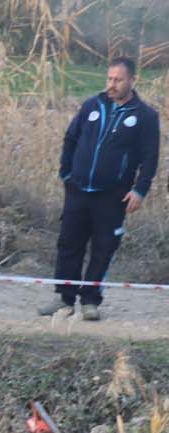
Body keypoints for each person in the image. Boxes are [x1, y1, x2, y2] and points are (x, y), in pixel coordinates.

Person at [39, 57, 160, 321]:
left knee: (103, 248)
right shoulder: (92, 105)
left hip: (112, 195)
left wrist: (140, 190)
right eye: (109, 79)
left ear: (132, 81)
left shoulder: (146, 116)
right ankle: (64, 298)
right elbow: (70, 139)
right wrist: (66, 174)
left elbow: (150, 158)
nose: (112, 84)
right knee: (69, 244)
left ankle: (91, 302)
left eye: (118, 80)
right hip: (78, 190)